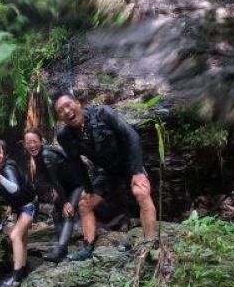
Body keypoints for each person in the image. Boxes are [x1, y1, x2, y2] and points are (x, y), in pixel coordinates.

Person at [54, 93, 157, 261]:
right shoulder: (64, 136)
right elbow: (76, 163)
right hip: (108, 171)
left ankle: (151, 246)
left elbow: (131, 136)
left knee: (141, 192)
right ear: (60, 117)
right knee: (85, 203)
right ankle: (87, 248)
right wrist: (88, 189)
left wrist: (138, 171)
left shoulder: (103, 113)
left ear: (78, 104)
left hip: (129, 163)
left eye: (68, 105)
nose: (66, 111)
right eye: (60, 111)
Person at [22, 129, 83, 263]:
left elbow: (54, 180)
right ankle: (62, 248)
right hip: (64, 186)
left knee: (68, 213)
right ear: (25, 145)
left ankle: (60, 250)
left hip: (76, 185)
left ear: (41, 141)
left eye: (34, 142)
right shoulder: (37, 156)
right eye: (28, 143)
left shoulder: (46, 155)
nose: (32, 145)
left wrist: (66, 202)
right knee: (56, 213)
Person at [0, 140, 37, 287]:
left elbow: (14, 189)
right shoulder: (1, 167)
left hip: (29, 206)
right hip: (21, 206)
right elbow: (15, 191)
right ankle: (22, 271)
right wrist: (10, 206)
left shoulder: (7, 168)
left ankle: (16, 278)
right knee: (22, 238)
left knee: (15, 236)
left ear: (5, 154)